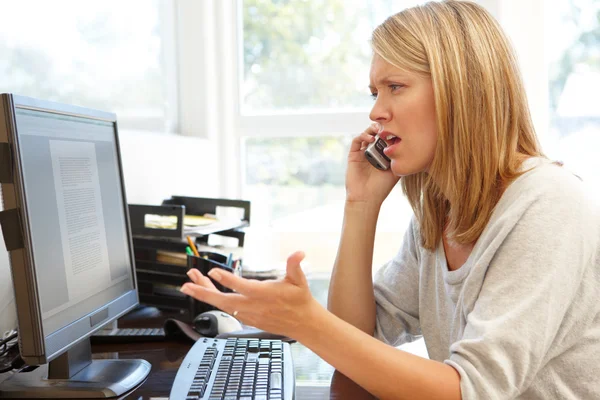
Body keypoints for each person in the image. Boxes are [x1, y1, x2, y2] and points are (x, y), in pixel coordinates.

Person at [180, 1, 600, 398]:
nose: (376, 112)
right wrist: (360, 206)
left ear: (462, 93)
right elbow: (358, 338)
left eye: (395, 87)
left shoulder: (548, 204)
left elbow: (470, 390)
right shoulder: (438, 214)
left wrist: (307, 323)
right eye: (374, 93)